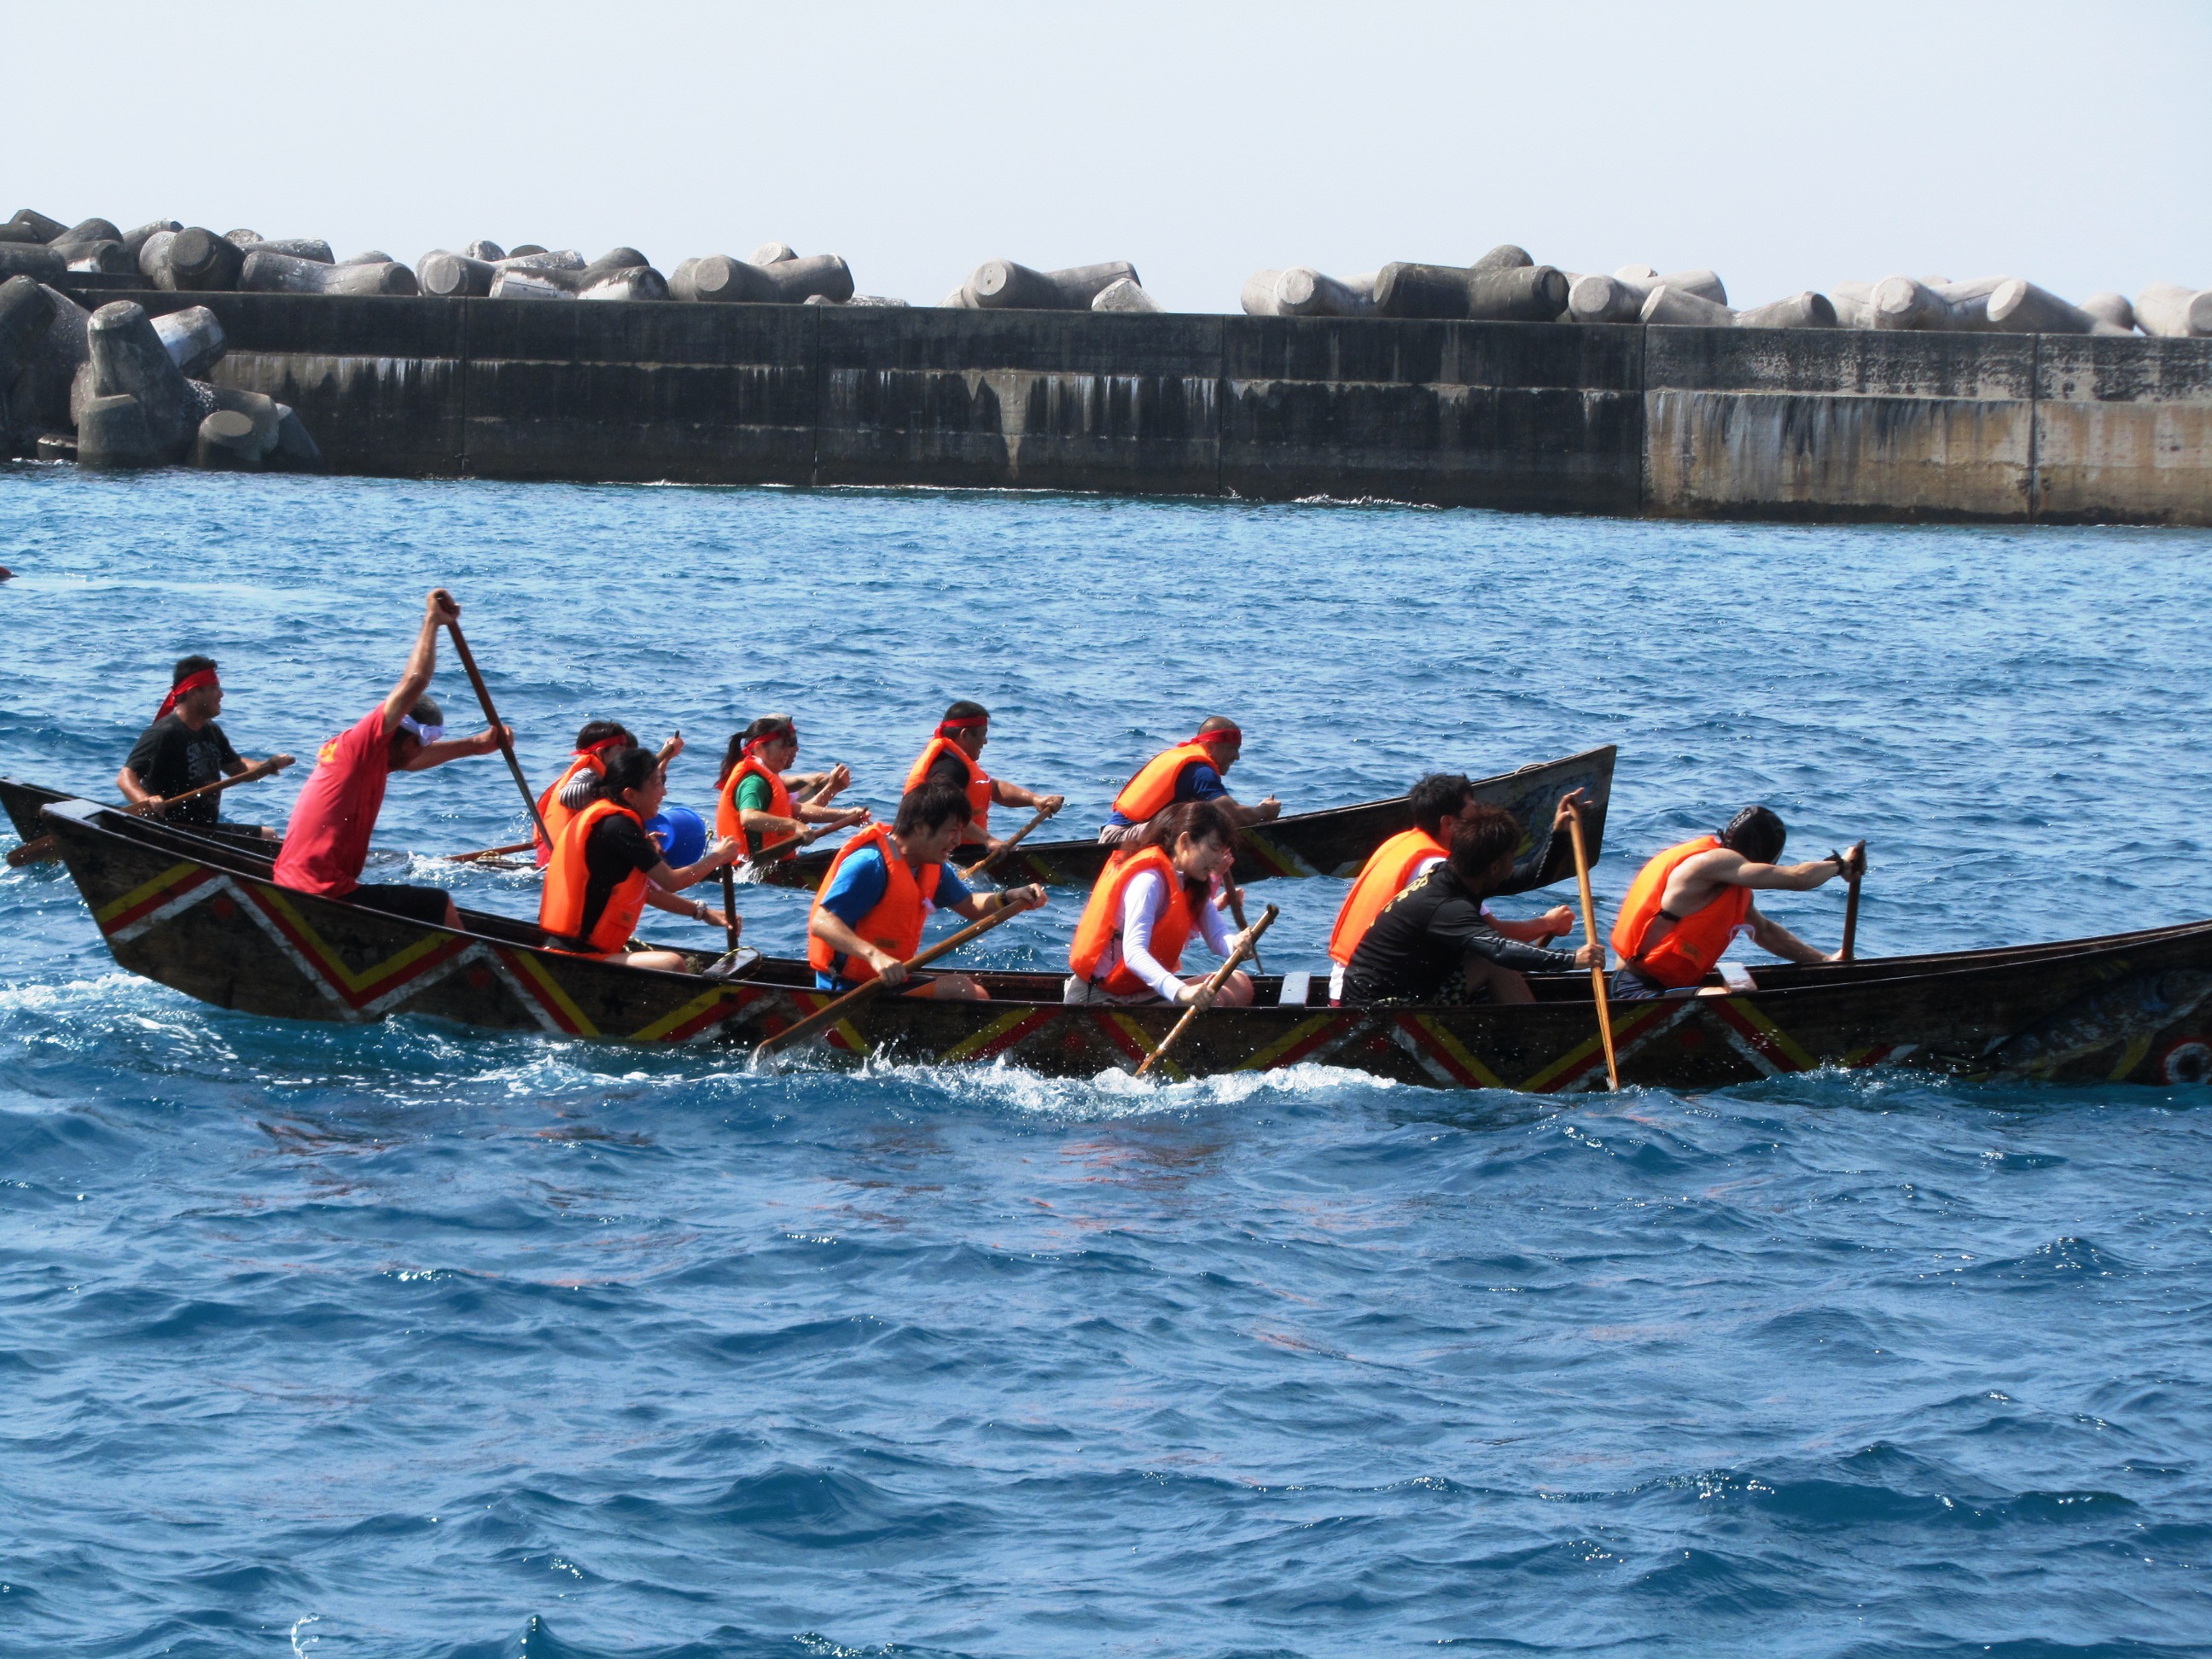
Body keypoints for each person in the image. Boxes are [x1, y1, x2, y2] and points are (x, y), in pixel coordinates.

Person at [271, 589, 511, 928]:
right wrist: (433, 621)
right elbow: (415, 680)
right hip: (320, 892)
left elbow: (412, 760)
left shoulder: (369, 760)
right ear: (406, 736)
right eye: (423, 742)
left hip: (299, 883)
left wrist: (476, 745)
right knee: (439, 904)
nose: (423, 750)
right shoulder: (360, 744)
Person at [1325, 775, 1586, 1004]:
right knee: (1491, 960)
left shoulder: (1448, 869)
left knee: (1484, 956)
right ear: (1449, 824)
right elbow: (1498, 944)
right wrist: (1571, 957)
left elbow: (1527, 877)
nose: (1478, 813)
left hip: (1381, 982)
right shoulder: (1441, 890)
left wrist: (1559, 834)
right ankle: (1534, 1037)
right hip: (1378, 1006)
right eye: (1473, 809)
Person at [806, 782, 1046, 1000]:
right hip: (846, 989)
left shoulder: (930, 865)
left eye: (961, 832)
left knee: (978, 993)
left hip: (886, 984)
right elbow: (821, 922)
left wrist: (1009, 897)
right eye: (952, 831)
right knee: (962, 990)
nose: (957, 842)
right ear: (921, 827)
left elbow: (970, 905)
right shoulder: (870, 864)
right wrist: (874, 955)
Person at [1609, 805, 1864, 999]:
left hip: (1671, 989)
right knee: (1735, 999)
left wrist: (1824, 961)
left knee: (1738, 993)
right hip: (1634, 991)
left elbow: (1764, 932)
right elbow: (1797, 878)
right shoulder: (1713, 862)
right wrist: (1841, 865)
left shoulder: (1729, 886)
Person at [538, 746, 742, 969]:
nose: (664, 792)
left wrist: (702, 913)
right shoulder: (618, 826)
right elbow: (671, 881)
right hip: (572, 955)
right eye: (656, 784)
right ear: (630, 795)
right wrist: (717, 856)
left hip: (586, 950)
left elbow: (646, 892)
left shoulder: (618, 823)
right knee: (673, 964)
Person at [1067, 800, 1264, 1008]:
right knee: (1215, 1000)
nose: (1219, 859)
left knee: (1240, 982)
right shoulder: (1148, 881)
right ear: (1185, 841)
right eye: (1214, 848)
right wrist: (1181, 991)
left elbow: (1218, 938)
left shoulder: (1192, 882)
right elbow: (1134, 953)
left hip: (1140, 990)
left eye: (1223, 851)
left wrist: (1237, 943)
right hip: (1097, 996)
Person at [115, 655, 291, 831]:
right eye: (214, 687)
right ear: (193, 693)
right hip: (172, 828)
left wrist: (267, 766)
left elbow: (238, 768)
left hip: (206, 828)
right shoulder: (164, 733)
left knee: (268, 835)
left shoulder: (211, 730)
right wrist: (146, 800)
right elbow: (125, 777)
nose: (221, 694)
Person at [900, 700, 1066, 866]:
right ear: (965, 735)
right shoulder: (949, 769)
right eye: (983, 734)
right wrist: (989, 840)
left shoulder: (958, 761)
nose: (985, 741)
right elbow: (945, 812)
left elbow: (993, 787)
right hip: (951, 856)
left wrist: (1035, 799)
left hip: (967, 850)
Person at [1097, 716, 1283, 845]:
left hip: (1122, 833)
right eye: (1233, 749)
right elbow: (1233, 815)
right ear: (1211, 746)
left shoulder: (1191, 762)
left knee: (1205, 815)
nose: (1237, 757)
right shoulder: (1200, 771)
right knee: (1209, 820)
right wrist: (1263, 810)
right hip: (1120, 838)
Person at [715, 715, 868, 864]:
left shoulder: (772, 777)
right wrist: (794, 825)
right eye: (786, 744)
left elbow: (797, 809)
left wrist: (845, 814)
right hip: (753, 868)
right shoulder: (755, 783)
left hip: (777, 863)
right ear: (760, 748)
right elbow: (749, 817)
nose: (792, 750)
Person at [533, 721, 637, 865]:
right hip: (559, 858)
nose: (625, 757)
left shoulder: (604, 775)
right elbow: (566, 796)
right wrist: (606, 789)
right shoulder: (588, 773)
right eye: (621, 751)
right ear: (601, 753)